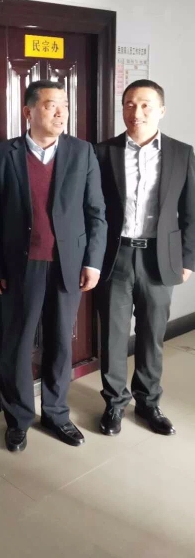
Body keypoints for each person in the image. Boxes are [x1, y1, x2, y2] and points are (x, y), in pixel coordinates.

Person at [0, 80, 107, 452]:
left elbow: (96, 212)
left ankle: (56, 413)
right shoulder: (2, 155)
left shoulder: (82, 152)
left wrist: (93, 262)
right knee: (18, 344)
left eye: (64, 105)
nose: (60, 112)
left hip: (69, 264)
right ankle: (18, 419)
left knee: (60, 341)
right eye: (52, 104)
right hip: (20, 266)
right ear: (28, 111)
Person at [96, 79, 195, 437]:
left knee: (152, 334)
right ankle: (114, 403)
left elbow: (191, 212)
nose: (135, 112)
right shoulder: (102, 152)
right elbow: (93, 211)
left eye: (145, 105)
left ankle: (148, 402)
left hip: (160, 258)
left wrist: (188, 260)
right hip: (116, 256)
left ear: (161, 110)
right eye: (129, 104)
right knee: (113, 335)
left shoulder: (182, 153)